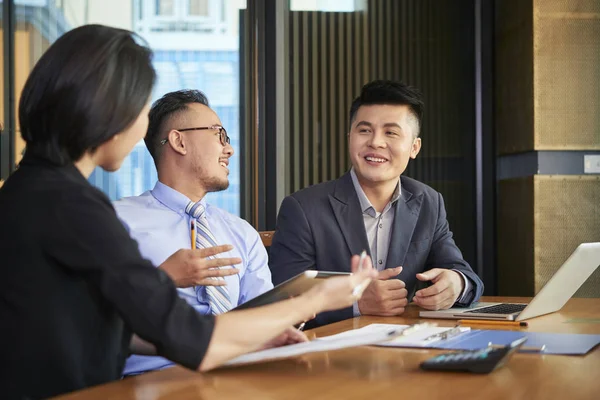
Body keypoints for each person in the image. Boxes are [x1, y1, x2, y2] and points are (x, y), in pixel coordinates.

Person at [0, 24, 377, 399]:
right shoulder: (77, 208)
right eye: (140, 107)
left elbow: (91, 327)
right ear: (107, 110)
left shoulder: (26, 191)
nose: (142, 125)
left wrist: (249, 338)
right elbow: (191, 338)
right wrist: (319, 298)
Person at [269, 80, 484, 328]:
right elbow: (282, 301)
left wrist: (456, 283)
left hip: (405, 350)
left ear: (414, 147)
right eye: (365, 130)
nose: (376, 142)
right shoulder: (303, 208)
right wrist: (356, 305)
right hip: (331, 355)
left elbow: (463, 273)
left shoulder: (428, 202)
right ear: (350, 138)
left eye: (391, 132)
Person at [114, 90, 273, 375]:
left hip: (234, 375)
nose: (229, 149)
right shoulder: (118, 222)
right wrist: (161, 278)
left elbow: (262, 318)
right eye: (218, 135)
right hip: (146, 382)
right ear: (179, 141)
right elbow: (92, 317)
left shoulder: (241, 233)